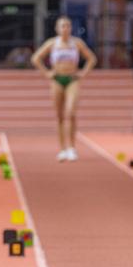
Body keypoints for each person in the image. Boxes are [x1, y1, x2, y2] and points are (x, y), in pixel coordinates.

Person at [31, 16, 97, 162]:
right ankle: (62, 149)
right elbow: (36, 58)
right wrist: (47, 73)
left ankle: (72, 148)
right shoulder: (52, 43)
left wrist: (83, 73)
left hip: (72, 80)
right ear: (57, 29)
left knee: (71, 112)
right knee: (60, 116)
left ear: (71, 28)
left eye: (67, 26)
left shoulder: (77, 43)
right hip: (57, 80)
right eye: (62, 26)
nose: (65, 29)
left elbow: (92, 58)